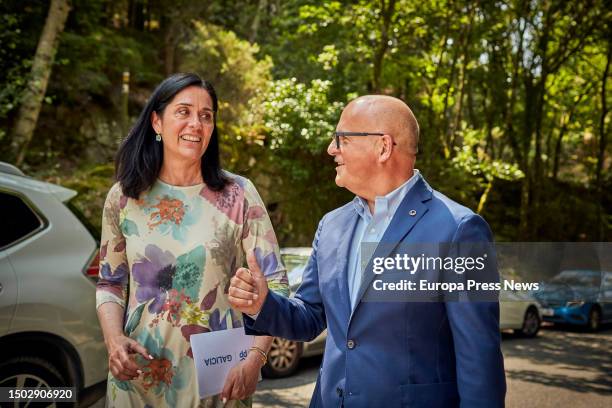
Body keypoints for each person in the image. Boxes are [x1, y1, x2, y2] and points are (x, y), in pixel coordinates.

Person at [228, 95, 506, 407]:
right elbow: (310, 317)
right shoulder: (331, 225)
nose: (331, 149)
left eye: (341, 138)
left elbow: (479, 361)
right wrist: (263, 304)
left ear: (383, 147)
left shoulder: (460, 230)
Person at [96, 73, 288, 408]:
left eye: (206, 115)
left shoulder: (239, 194)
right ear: (157, 121)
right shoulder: (124, 198)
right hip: (136, 381)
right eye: (183, 112)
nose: (196, 124)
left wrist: (255, 358)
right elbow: (110, 283)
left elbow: (276, 282)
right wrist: (113, 340)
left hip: (219, 380)